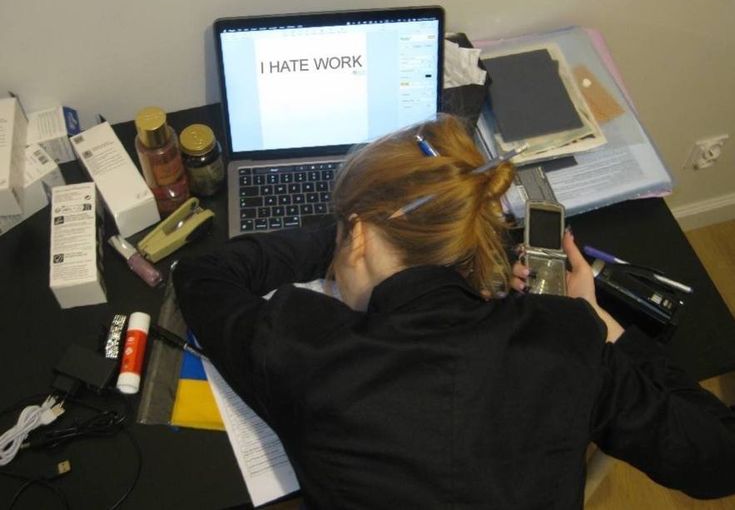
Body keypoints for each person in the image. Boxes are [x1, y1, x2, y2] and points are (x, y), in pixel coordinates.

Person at [172, 114, 735, 509]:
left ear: (358, 235)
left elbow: (201, 275)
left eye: (345, 231)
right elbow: (719, 458)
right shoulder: (568, 343)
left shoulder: (306, 352)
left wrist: (355, 229)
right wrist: (600, 325)